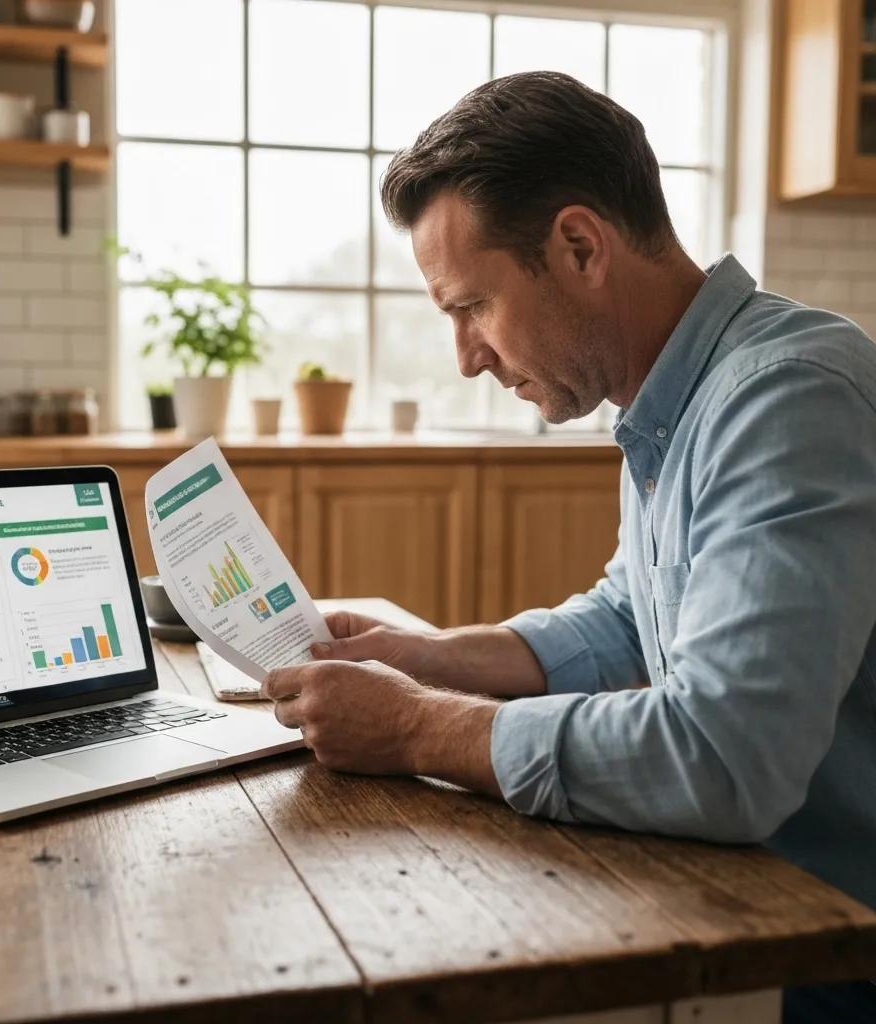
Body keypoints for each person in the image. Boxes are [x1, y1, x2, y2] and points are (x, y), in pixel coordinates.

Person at [259, 72, 876, 1021]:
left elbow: (725, 758)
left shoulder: (786, 398)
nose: (467, 356)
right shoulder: (676, 397)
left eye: (472, 306)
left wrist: (416, 726)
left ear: (580, 247)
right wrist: (422, 655)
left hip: (827, 947)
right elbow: (629, 617)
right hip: (756, 907)